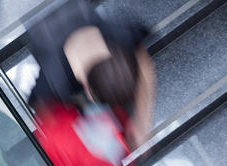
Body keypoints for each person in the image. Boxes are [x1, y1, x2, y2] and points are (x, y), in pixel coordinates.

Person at [27, 0, 156, 148]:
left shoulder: (118, 37)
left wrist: (142, 119)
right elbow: (39, 106)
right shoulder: (56, 82)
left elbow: (143, 61)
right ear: (88, 91)